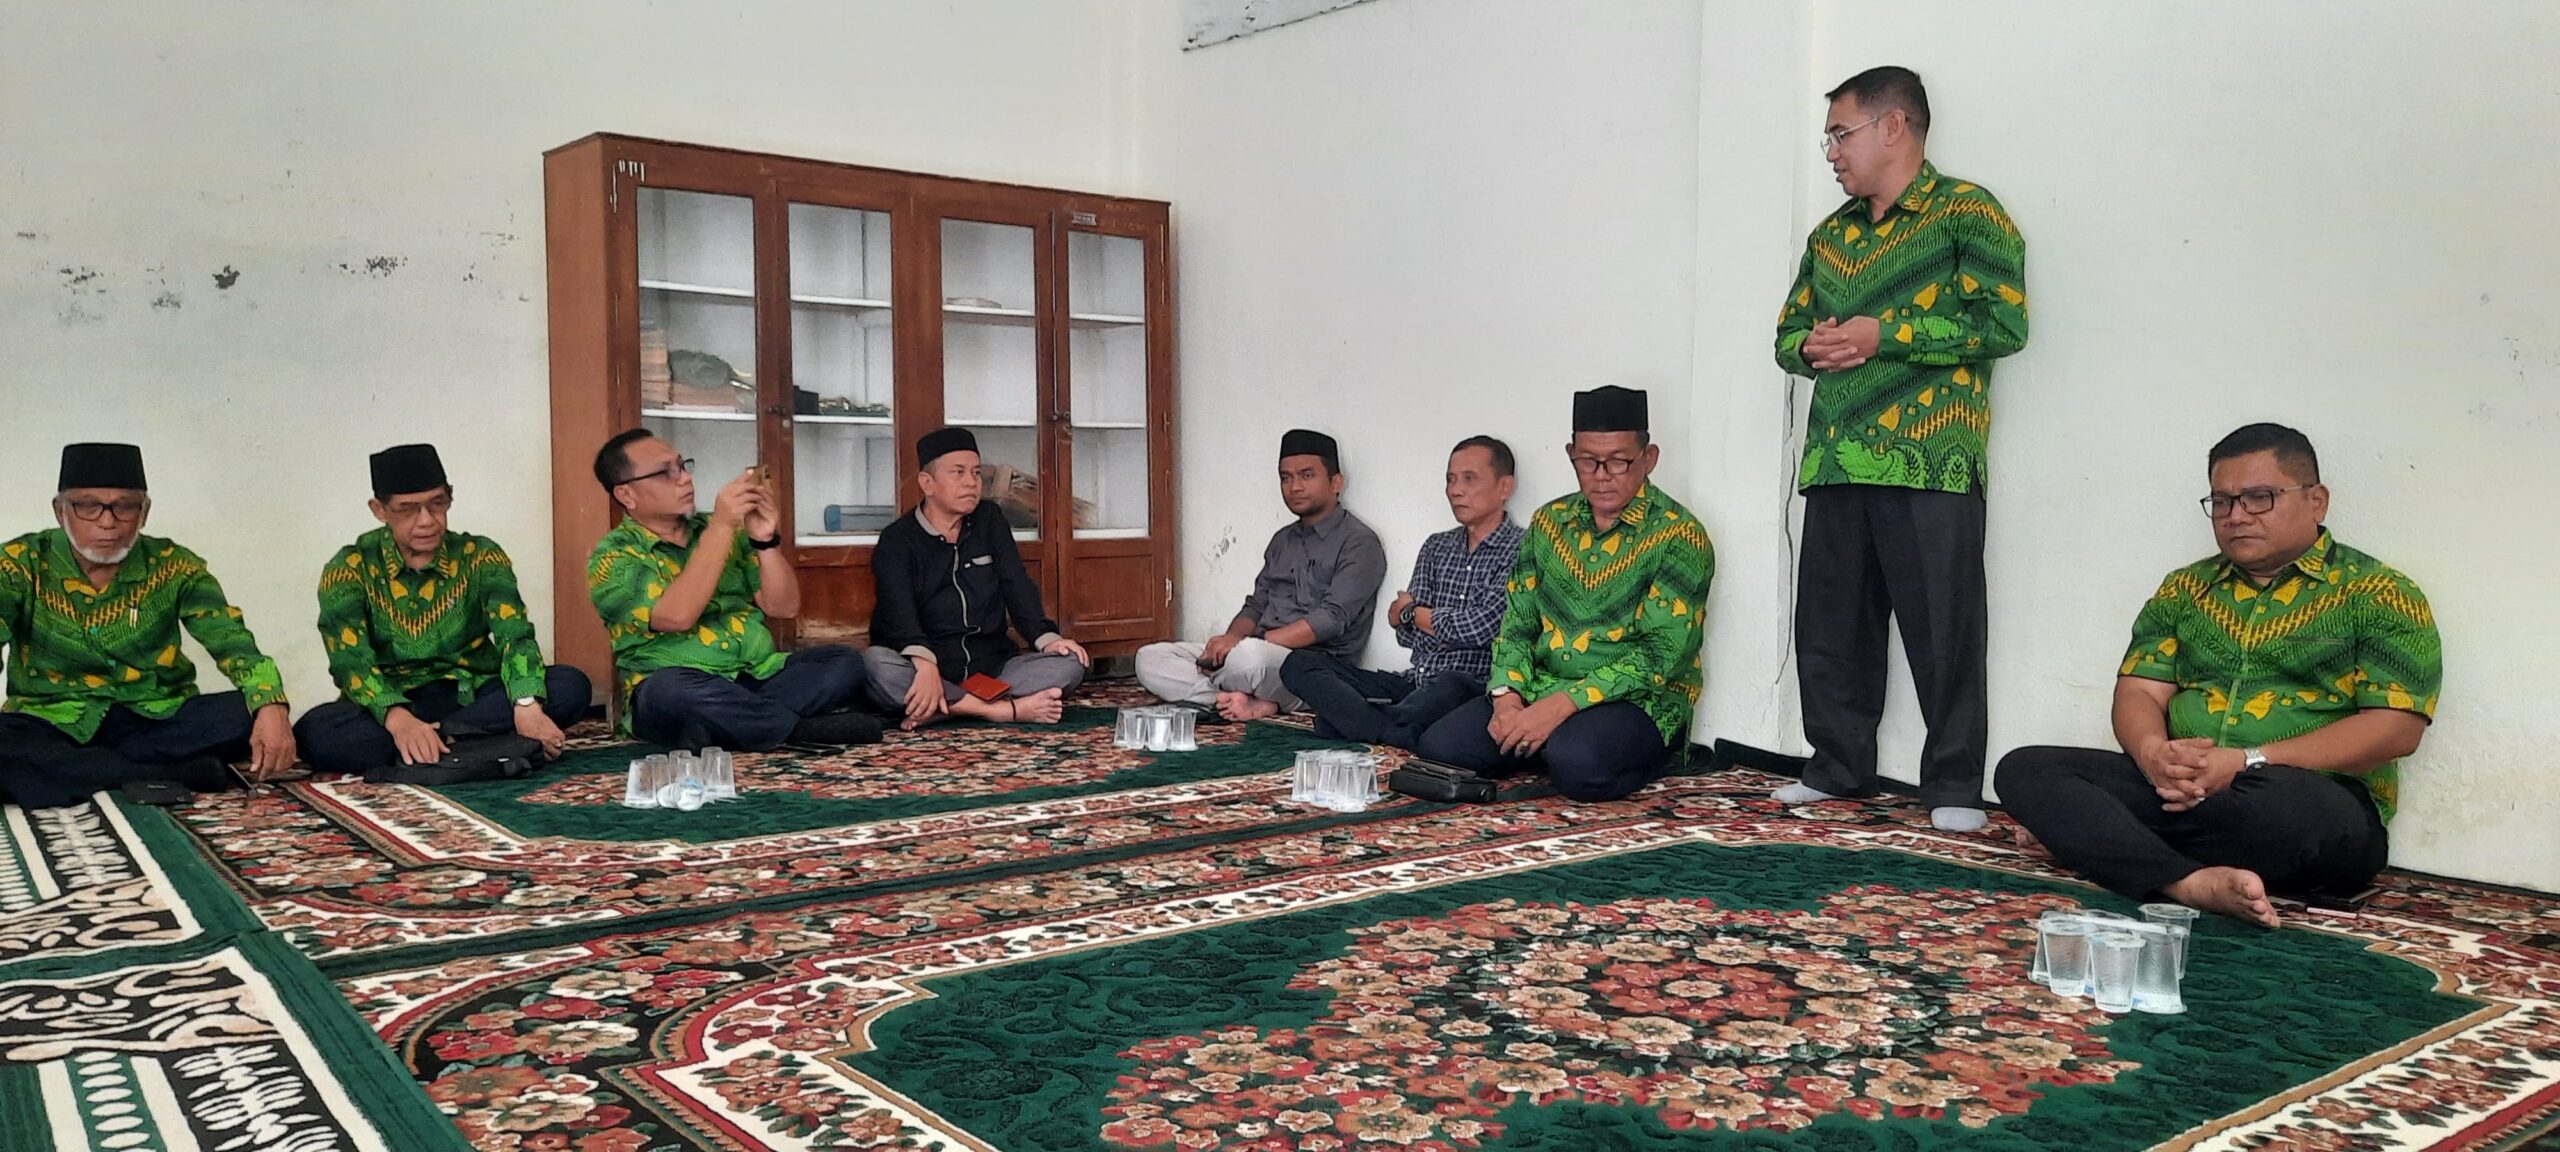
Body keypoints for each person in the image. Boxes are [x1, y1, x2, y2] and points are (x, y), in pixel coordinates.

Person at [1997, 424, 2438, 928]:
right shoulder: (2185, 589)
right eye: (2222, 502)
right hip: (2183, 795)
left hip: (2301, 802)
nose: (2236, 516)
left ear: (2317, 501)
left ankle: (2103, 841)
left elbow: (2396, 730)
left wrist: (2246, 761)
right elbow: (2140, 691)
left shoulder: (2381, 594)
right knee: (2027, 770)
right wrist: (2153, 755)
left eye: (2259, 498)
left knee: (2300, 813)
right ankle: (2186, 883)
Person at [1771, 65, 2030, 833]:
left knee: (1945, 630)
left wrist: (1886, 335)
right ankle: (1836, 767)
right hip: (1834, 459)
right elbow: (1786, 335)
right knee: (1830, 630)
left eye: (1839, 134)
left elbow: (2003, 325)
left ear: (1894, 126)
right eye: (1828, 138)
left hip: (1931, 462)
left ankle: (1953, 786)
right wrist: (1810, 346)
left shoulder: (1967, 213)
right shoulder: (1831, 235)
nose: (1831, 152)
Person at [1416, 388, 1712, 801]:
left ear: (1649, 458)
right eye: (1588, 461)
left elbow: (1661, 654)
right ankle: (1544, 742)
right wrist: (1507, 699)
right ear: (1572, 455)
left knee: (1579, 765)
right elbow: (1517, 624)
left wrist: (1560, 706)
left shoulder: (1679, 535)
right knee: (1441, 748)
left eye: (1619, 461)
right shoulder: (1549, 523)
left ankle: (1637, 752)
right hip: (1541, 686)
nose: (1602, 475)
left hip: (1638, 699)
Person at [0, 443, 294, 807]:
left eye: (124, 506)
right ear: (60, 511)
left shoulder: (176, 566)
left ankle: (84, 773)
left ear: (144, 513)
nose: (107, 522)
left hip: (153, 718)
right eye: (88, 506)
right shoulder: (18, 564)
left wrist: (270, 705)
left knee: (242, 714)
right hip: (52, 720)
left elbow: (231, 640)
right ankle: (167, 774)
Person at [293, 444, 593, 775]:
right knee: (315, 732)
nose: (427, 521)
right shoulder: (350, 567)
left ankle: (439, 744)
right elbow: (351, 663)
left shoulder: (481, 556)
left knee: (570, 685)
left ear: (450, 498)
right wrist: (397, 718)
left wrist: (526, 705)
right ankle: (475, 745)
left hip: (472, 695)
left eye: (437, 504)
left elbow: (515, 635)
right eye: (408, 509)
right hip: (395, 703)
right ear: (379, 510)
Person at [586, 429, 876, 751]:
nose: (685, 479)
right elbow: (677, 617)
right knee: (669, 692)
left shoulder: (722, 531)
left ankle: (727, 726)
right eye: (666, 473)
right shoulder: (612, 559)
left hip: (754, 676)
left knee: (844, 662)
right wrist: (722, 526)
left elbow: (784, 607)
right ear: (627, 494)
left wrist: (765, 541)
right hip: (677, 685)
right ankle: (797, 729)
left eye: (682, 466)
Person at [1280, 436, 1522, 749]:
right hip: (1413, 683)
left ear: (1504, 487)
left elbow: (1483, 629)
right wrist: (1423, 620)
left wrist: (1412, 613)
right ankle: (1390, 727)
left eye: (1469, 479)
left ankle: (1358, 721)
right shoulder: (1437, 546)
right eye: (1450, 479)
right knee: (1300, 663)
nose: (1455, 490)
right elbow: (1408, 636)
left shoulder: (1522, 548)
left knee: (1450, 684)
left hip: (1470, 688)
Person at [1136, 429, 1386, 721]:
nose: (1295, 487)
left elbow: (1331, 619)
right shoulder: (1282, 540)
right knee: (1150, 658)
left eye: (1307, 475)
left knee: (1247, 660)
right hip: (1258, 650)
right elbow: (1256, 605)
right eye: (1286, 478)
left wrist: (1249, 644)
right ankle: (1231, 700)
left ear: (1336, 482)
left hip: (1315, 664)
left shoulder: (1359, 542)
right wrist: (1230, 638)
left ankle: (1235, 693)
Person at [863, 427, 1089, 729]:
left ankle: (948, 707)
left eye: (976, 473)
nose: (971, 482)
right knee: (875, 666)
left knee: (1071, 662)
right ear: (927, 483)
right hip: (930, 667)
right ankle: (999, 711)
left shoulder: (990, 520)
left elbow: (1016, 584)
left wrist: (1047, 639)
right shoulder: (898, 540)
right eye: (958, 473)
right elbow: (897, 611)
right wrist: (925, 664)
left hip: (993, 668)